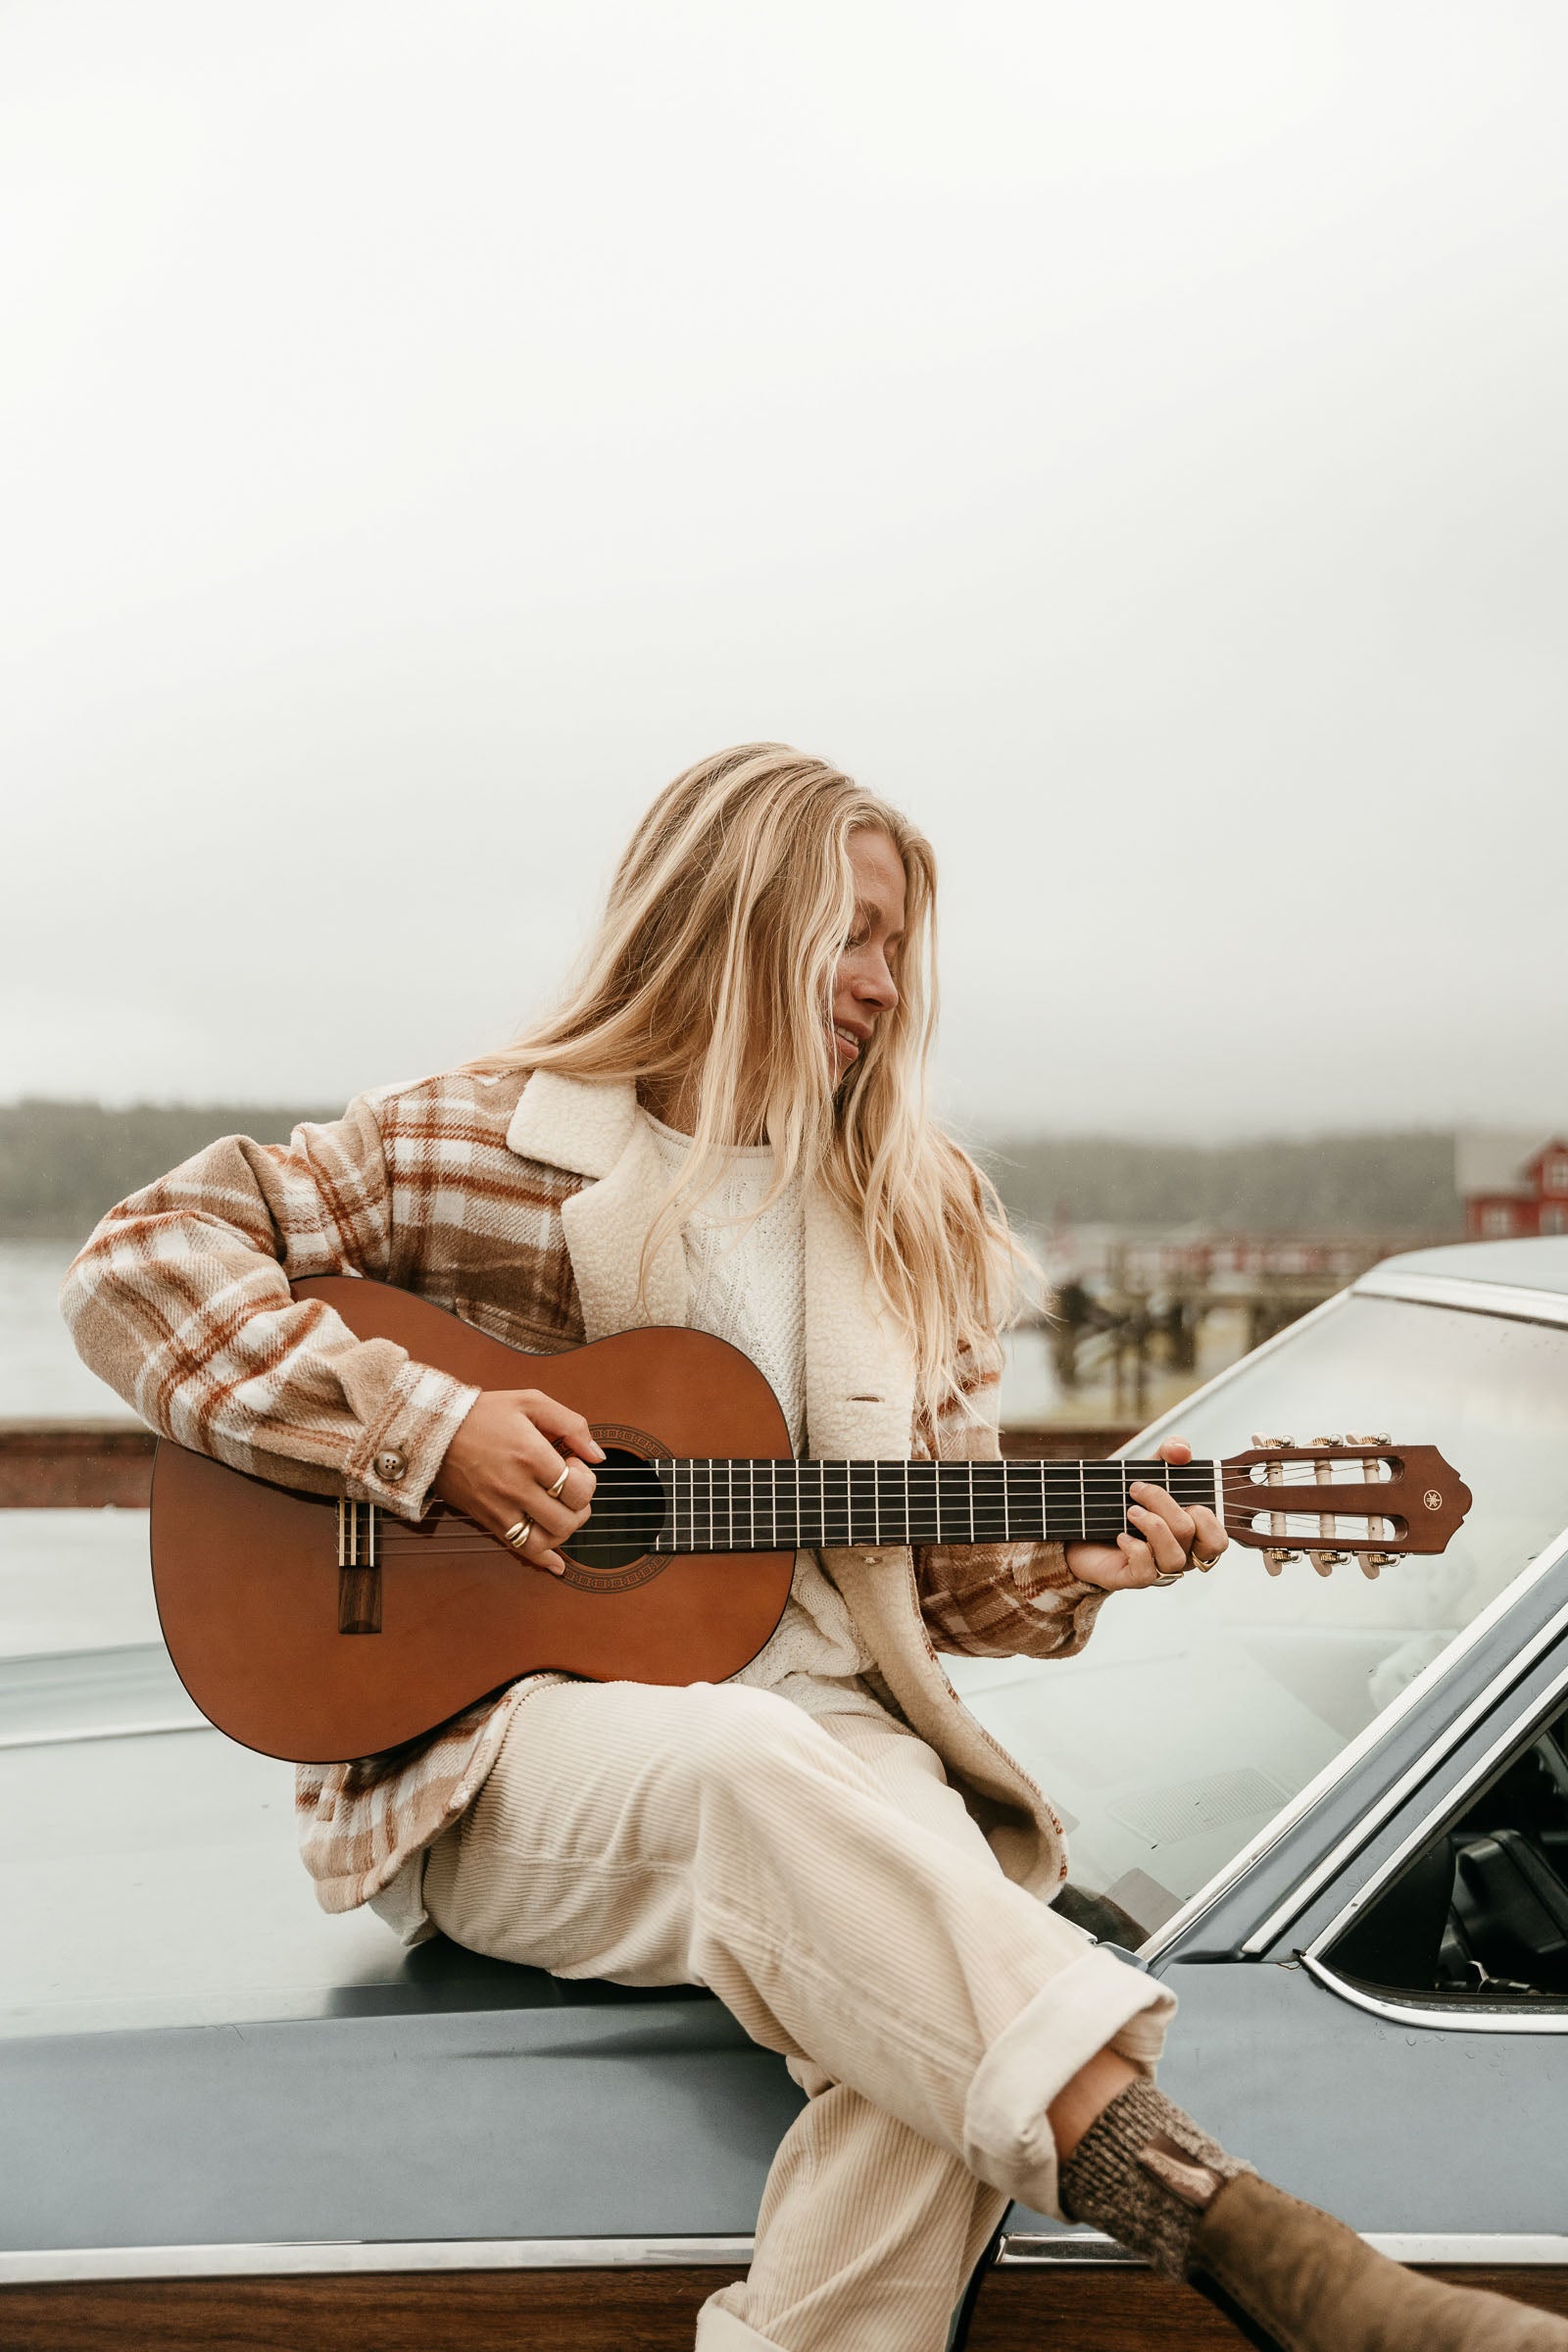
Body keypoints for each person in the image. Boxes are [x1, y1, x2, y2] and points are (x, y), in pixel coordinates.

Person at [63, 745, 1564, 2352]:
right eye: (849, 934)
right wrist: (427, 1431)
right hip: (505, 1750)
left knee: (922, 1965)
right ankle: (1239, 2228)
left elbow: (941, 1586)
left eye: (899, 948)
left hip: (839, 1741)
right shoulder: (480, 1144)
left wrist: (1078, 1562)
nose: (879, 983)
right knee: (760, 1779)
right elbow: (138, 1264)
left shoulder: (920, 1216)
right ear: (730, 915)